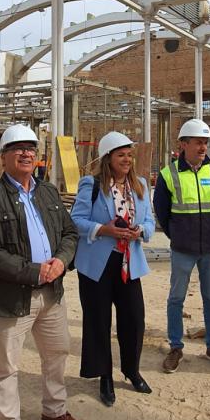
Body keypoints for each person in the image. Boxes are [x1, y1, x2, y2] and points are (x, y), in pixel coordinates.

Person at [0, 123, 82, 420]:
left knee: (57, 353)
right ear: (3, 156)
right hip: (11, 296)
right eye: (17, 148)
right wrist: (35, 272)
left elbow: (69, 234)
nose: (25, 153)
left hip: (52, 293)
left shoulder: (47, 192)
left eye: (31, 148)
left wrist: (60, 262)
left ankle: (54, 410)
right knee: (5, 365)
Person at [71, 131, 155, 406]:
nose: (127, 160)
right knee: (98, 321)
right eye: (121, 155)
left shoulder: (140, 186)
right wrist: (103, 230)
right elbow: (76, 221)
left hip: (129, 264)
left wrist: (140, 230)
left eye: (130, 155)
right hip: (98, 265)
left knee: (133, 320)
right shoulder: (92, 184)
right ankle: (104, 376)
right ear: (108, 158)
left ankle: (131, 370)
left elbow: (151, 224)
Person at [153, 119, 210, 373]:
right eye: (198, 142)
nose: (203, 147)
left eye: (205, 143)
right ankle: (176, 346)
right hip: (183, 248)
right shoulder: (169, 175)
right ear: (183, 144)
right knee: (176, 298)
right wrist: (177, 234)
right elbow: (162, 211)